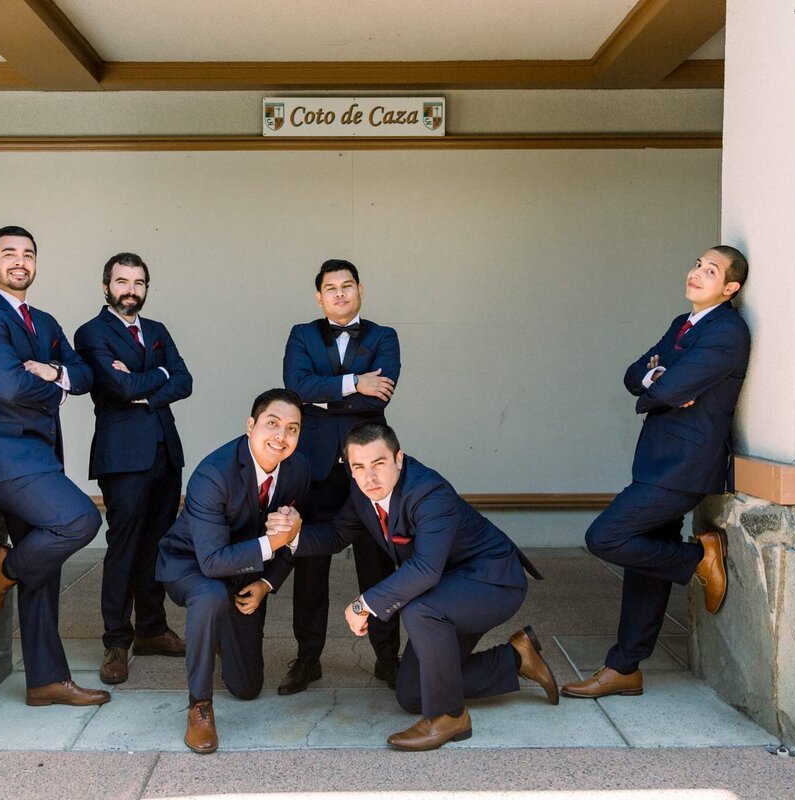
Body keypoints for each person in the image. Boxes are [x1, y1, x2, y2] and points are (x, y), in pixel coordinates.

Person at [280, 422, 559, 751]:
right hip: (447, 589)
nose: (369, 477)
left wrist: (363, 604)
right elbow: (338, 534)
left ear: (399, 459)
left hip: (491, 581)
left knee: (419, 608)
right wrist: (289, 537)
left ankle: (450, 716)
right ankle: (516, 658)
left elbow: (425, 569)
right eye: (359, 467)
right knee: (412, 693)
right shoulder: (361, 491)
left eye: (379, 463)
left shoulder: (428, 493)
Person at [563, 246, 750, 700]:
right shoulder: (681, 325)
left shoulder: (727, 332)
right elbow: (635, 375)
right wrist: (659, 383)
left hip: (685, 466)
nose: (697, 273)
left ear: (730, 288)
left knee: (605, 537)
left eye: (711, 271)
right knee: (646, 561)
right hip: (657, 459)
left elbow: (667, 385)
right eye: (697, 264)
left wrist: (662, 383)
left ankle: (698, 560)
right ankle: (624, 667)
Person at [0, 225, 108, 707]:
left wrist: (56, 371)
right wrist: (56, 384)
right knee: (81, 519)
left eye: (28, 254)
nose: (19, 261)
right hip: (1, 458)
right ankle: (4, 567)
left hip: (35, 456)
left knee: (46, 569)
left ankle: (45, 680)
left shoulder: (42, 321)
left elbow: (86, 372)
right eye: (9, 253)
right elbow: (11, 387)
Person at [155, 389, 311, 754]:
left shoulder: (299, 469)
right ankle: (199, 706)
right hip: (191, 563)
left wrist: (266, 583)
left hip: (244, 572)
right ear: (251, 425)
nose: (281, 436)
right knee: (209, 595)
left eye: (292, 429)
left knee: (246, 687)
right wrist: (274, 544)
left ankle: (220, 632)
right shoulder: (213, 474)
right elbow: (211, 562)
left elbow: (294, 538)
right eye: (272, 424)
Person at [278, 258, 402, 695]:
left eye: (347, 286)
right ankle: (307, 659)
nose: (340, 294)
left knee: (378, 564)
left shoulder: (384, 337)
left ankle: (389, 661)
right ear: (319, 296)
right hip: (313, 466)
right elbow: (295, 386)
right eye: (331, 288)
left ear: (360, 290)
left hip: (367, 466)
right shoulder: (302, 334)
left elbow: (383, 391)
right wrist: (354, 384)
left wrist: (326, 393)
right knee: (309, 564)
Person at [74, 252, 193, 685]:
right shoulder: (91, 333)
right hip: (122, 456)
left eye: (138, 282)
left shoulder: (157, 331)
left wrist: (151, 380)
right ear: (106, 287)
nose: (131, 290)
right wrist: (155, 378)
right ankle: (116, 641)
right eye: (122, 282)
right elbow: (118, 387)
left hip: (165, 451)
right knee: (124, 545)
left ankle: (152, 629)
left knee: (157, 544)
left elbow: (185, 380)